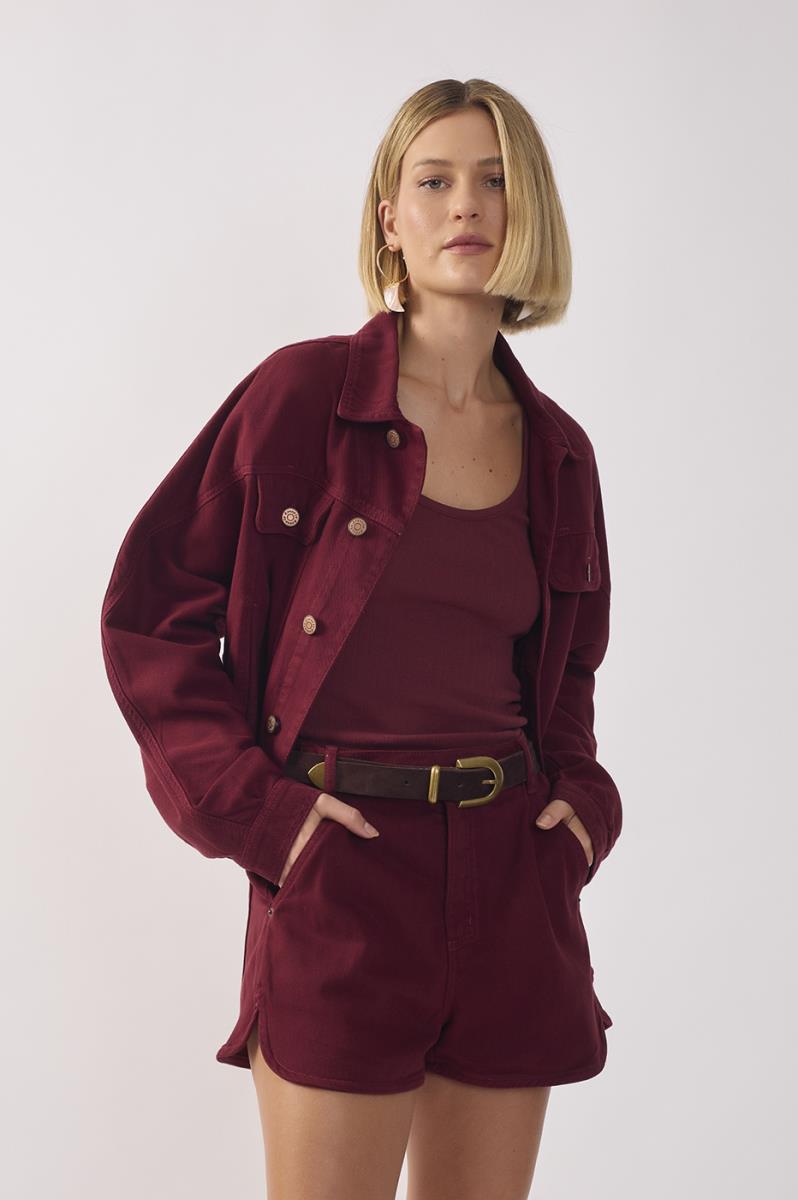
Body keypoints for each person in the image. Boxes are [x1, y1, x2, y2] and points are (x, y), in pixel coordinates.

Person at [100, 77, 622, 1200]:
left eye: (496, 180)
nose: (465, 204)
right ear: (390, 217)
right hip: (343, 870)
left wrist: (580, 811)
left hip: (513, 878)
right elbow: (151, 616)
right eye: (433, 180)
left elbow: (570, 671)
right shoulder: (303, 397)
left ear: (531, 209)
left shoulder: (561, 452)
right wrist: (265, 818)